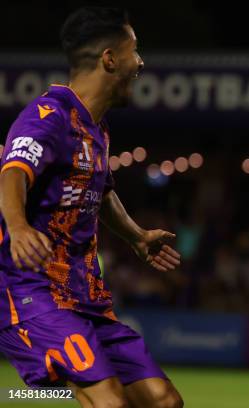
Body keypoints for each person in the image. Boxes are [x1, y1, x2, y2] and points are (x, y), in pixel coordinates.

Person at [0, 7, 183, 408]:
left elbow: (98, 190)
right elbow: (13, 170)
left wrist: (136, 236)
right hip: (35, 293)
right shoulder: (47, 117)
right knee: (108, 401)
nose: (141, 62)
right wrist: (18, 226)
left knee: (163, 400)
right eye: (135, 51)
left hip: (86, 297)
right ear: (109, 59)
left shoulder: (94, 128)